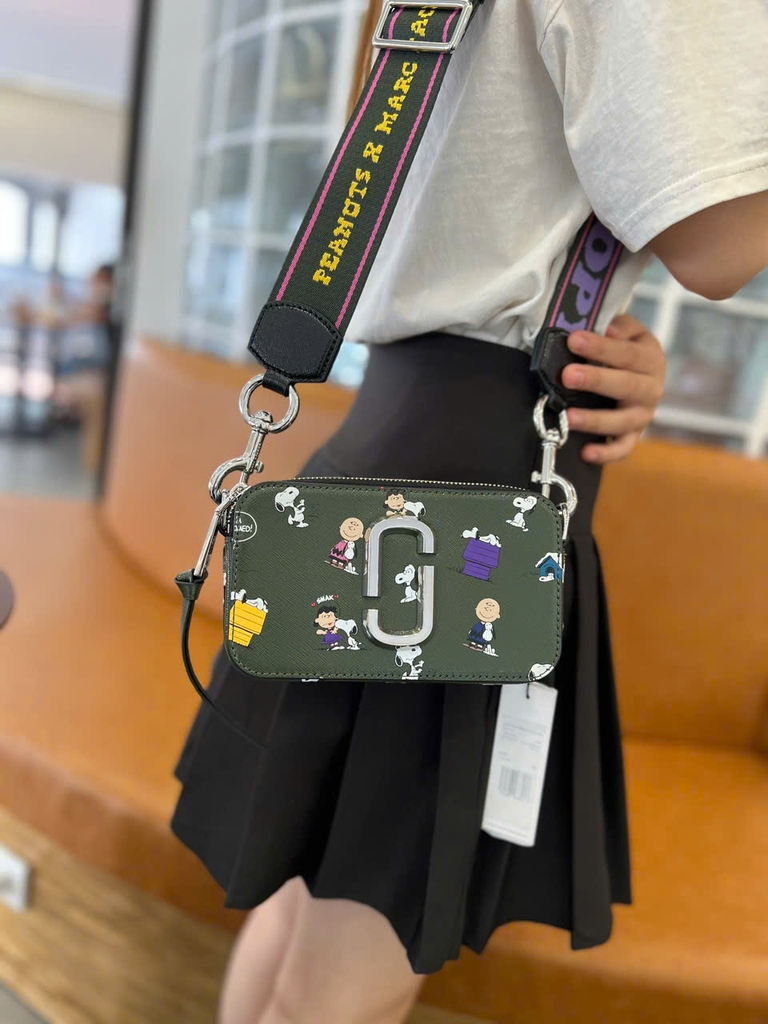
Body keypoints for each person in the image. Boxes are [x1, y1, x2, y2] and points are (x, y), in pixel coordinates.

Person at [170, 3, 768, 1021]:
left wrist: (599, 326)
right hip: (477, 511)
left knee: (305, 907)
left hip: (382, 455)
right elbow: (720, 244)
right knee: (349, 973)